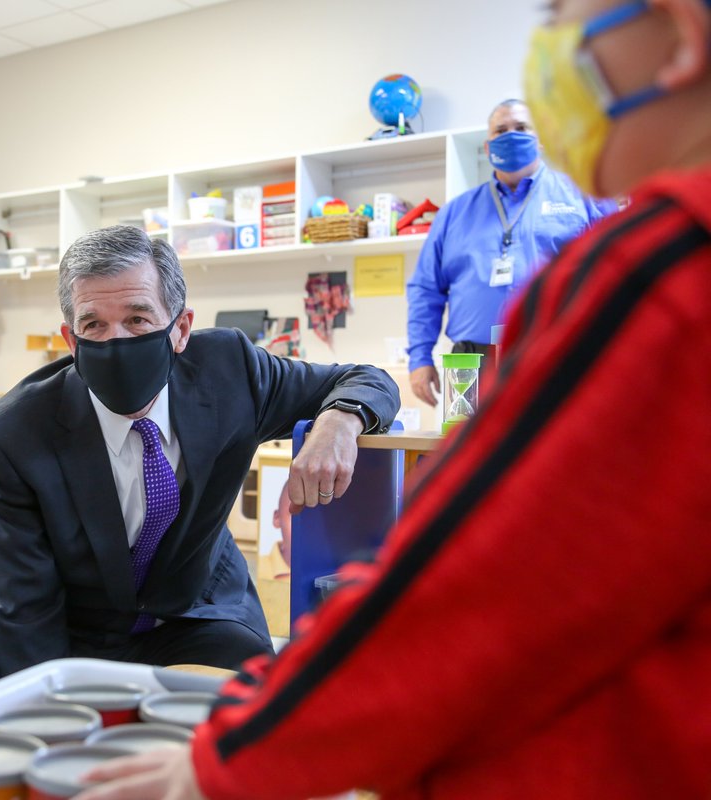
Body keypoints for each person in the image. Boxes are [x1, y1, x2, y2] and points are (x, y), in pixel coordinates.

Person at [76, 0, 711, 797]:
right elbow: (427, 296)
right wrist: (422, 357)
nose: (548, 45)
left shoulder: (654, 274)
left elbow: (462, 591)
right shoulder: (474, 219)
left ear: (681, 34)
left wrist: (224, 763)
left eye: (562, 14)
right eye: (92, 324)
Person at [0, 225, 400, 686]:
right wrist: (57, 715)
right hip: (55, 610)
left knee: (246, 693)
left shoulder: (230, 371)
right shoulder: (11, 435)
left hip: (190, 608)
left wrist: (340, 420)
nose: (117, 341)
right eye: (94, 326)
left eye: (138, 319)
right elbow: (25, 604)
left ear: (180, 329)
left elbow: (366, 379)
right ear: (70, 339)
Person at [406, 98, 615, 407]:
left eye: (521, 127)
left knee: (551, 451)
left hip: (558, 351)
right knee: (470, 451)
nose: (511, 135)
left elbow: (618, 271)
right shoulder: (454, 213)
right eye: (500, 130)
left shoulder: (584, 198)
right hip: (469, 362)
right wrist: (420, 358)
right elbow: (425, 289)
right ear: (488, 147)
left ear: (540, 138)